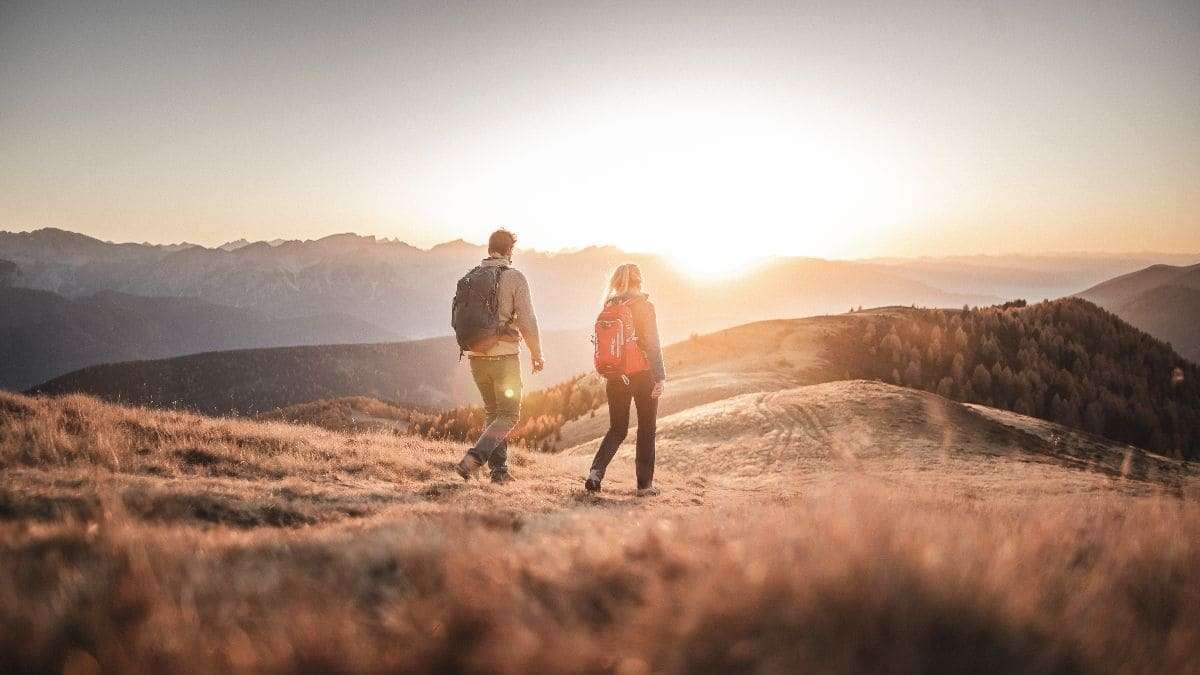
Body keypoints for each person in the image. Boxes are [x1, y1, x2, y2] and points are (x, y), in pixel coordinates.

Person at [454, 229, 544, 483]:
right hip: (504, 359)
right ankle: (474, 459)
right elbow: (527, 320)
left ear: (489, 249)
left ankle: (499, 471)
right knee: (509, 415)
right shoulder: (514, 277)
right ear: (509, 251)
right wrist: (537, 354)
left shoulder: (470, 277)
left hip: (476, 357)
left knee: (494, 413)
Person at [585, 263, 666, 496]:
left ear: (617, 281)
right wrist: (659, 377)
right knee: (646, 428)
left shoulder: (609, 305)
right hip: (643, 375)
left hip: (615, 375)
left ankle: (596, 472)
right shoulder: (644, 307)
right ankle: (644, 486)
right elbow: (653, 344)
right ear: (640, 280)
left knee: (617, 429)